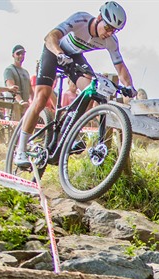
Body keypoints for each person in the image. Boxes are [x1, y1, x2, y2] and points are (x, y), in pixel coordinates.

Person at [14, 1, 137, 167]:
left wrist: (130, 88)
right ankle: (20, 149)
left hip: (75, 56)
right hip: (54, 51)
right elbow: (50, 37)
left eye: (114, 30)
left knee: (92, 91)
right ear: (99, 18)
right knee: (42, 97)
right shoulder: (81, 20)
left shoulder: (111, 41)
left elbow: (120, 67)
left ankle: (68, 132)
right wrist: (59, 54)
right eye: (108, 28)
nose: (109, 33)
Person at [3, 45, 31, 112]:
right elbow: (11, 88)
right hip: (14, 107)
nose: (21, 56)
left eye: (22, 54)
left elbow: (30, 90)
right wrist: (21, 102)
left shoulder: (26, 72)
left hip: (25, 108)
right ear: (13, 55)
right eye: (18, 54)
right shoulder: (9, 70)